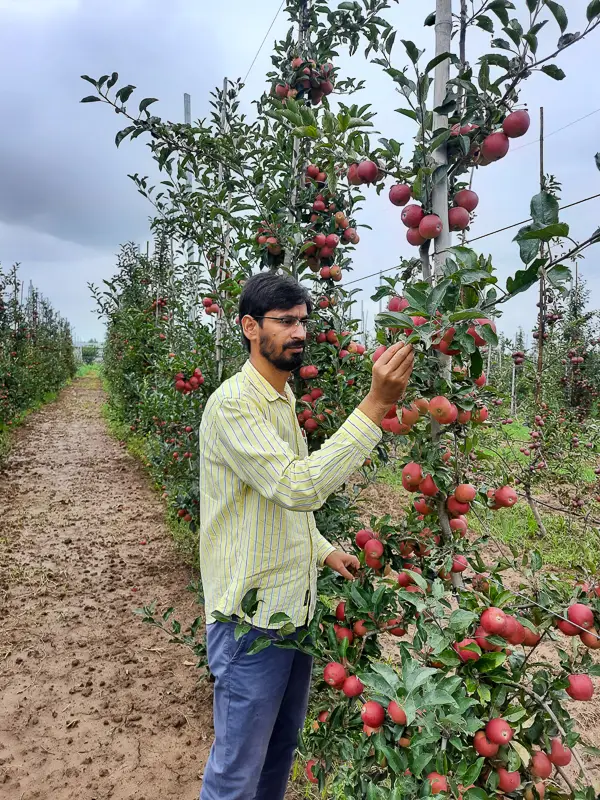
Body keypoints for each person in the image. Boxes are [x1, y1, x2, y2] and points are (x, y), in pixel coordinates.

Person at [198, 271, 414, 800]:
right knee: (235, 770)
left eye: (304, 322)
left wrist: (322, 549)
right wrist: (375, 404)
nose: (299, 332)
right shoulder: (234, 405)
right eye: (286, 322)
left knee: (277, 751)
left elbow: (276, 501)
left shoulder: (282, 400)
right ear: (250, 327)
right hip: (249, 620)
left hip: (294, 609)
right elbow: (299, 486)